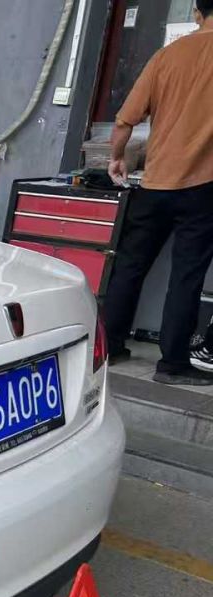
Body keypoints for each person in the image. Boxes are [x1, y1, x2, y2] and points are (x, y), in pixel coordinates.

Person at [103, 0, 213, 385]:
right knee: (186, 276)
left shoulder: (167, 56)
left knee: (130, 265)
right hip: (203, 188)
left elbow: (124, 121)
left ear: (197, 13)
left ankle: (109, 346)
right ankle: (172, 365)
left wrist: (117, 158)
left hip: (153, 183)